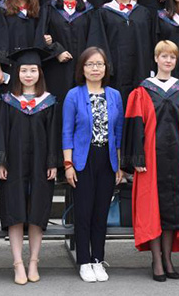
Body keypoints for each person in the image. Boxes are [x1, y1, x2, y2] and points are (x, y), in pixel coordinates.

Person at [122, 40, 179, 281]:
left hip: (178, 157)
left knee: (171, 209)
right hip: (151, 158)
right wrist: (137, 157)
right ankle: (156, 260)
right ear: (156, 59)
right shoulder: (143, 90)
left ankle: (168, 258)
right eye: (164, 56)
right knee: (152, 209)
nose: (168, 60)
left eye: (172, 57)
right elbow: (135, 125)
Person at [0, 48, 58, 285]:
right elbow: (1, 132)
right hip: (14, 164)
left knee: (37, 213)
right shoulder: (8, 102)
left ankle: (33, 261)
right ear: (16, 73)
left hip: (41, 165)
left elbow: (53, 135)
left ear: (40, 73)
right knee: (15, 211)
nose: (28, 75)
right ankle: (18, 263)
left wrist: (52, 162)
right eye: (23, 70)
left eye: (33, 70)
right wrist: (0, 161)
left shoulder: (49, 102)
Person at [62, 47, 124, 283]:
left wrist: (118, 164)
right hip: (82, 160)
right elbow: (67, 132)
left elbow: (118, 133)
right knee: (84, 213)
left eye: (99, 64)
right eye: (90, 64)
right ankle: (84, 261)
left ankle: (98, 259)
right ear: (82, 68)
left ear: (106, 68)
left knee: (100, 213)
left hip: (106, 160)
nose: (95, 68)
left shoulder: (114, 95)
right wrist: (68, 164)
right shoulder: (73, 95)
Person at [37, 0, 94, 171]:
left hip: (82, 73)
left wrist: (88, 65)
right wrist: (56, 50)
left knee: (82, 115)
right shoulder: (49, 7)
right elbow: (39, 39)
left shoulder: (89, 9)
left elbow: (95, 40)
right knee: (58, 114)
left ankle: (79, 162)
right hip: (56, 72)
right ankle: (57, 163)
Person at [87, 0, 155, 106]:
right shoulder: (103, 13)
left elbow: (150, 44)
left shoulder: (144, 13)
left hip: (140, 72)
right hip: (113, 76)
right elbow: (98, 44)